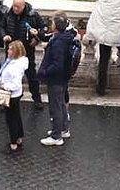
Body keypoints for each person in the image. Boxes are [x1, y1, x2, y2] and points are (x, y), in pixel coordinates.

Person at [1, 0, 46, 110]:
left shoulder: (33, 15)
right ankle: (6, 100)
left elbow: (43, 29)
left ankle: (37, 99)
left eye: (18, 7)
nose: (15, 9)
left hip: (26, 49)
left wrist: (36, 39)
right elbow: (1, 26)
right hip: (11, 50)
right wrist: (4, 35)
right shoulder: (8, 14)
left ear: (23, 6)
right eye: (14, 6)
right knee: (8, 76)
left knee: (31, 75)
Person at [37, 13, 75, 146]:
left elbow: (57, 64)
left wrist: (45, 71)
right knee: (61, 105)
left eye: (52, 23)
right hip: (62, 78)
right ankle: (64, 129)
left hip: (55, 79)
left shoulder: (58, 41)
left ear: (57, 26)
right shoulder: (64, 39)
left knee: (55, 107)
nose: (50, 25)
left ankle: (56, 136)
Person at [0, 39, 28, 155]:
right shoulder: (17, 62)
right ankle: (19, 138)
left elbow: (15, 84)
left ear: (15, 52)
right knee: (16, 116)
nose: (7, 50)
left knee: (11, 119)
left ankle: (13, 144)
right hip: (16, 94)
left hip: (11, 94)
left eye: (10, 49)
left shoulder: (15, 66)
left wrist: (4, 86)